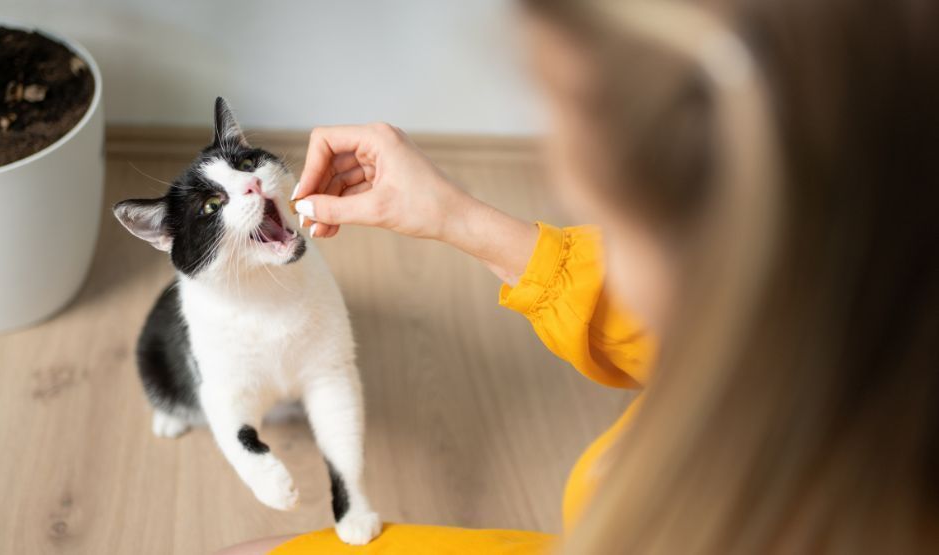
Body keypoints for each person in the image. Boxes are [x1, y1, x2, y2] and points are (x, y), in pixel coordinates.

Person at [223, 0, 939, 552]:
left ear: (729, 249)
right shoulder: (854, 299)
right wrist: (457, 217)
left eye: (602, 216)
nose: (600, 248)